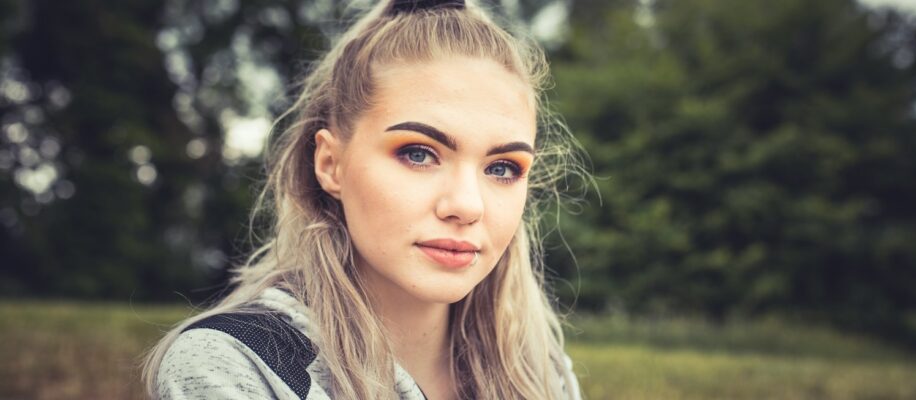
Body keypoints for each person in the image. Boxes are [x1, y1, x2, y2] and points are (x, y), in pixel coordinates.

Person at [142, 0, 591, 398]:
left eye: (502, 168)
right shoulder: (239, 365)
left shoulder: (540, 373)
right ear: (330, 164)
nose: (468, 205)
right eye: (419, 154)